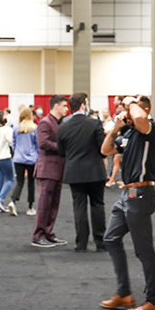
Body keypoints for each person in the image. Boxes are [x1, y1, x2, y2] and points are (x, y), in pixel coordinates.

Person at [100, 95, 155, 310]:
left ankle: (154, 301)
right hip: (126, 194)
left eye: (129, 110)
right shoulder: (129, 134)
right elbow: (106, 150)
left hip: (142, 194)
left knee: (144, 250)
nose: (126, 113)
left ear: (143, 109)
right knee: (110, 238)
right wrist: (116, 127)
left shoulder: (151, 130)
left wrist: (132, 103)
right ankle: (124, 293)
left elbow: (139, 116)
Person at [57, 92, 108, 252]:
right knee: (97, 205)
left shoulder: (63, 126)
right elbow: (103, 150)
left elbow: (61, 151)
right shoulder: (95, 124)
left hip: (74, 171)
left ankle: (81, 243)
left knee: (79, 206)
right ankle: (100, 242)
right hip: (95, 171)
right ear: (83, 105)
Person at [32, 95, 69, 248]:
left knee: (53, 204)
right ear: (56, 106)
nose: (67, 109)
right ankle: (38, 235)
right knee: (44, 204)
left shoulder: (59, 123)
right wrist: (63, 148)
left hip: (57, 169)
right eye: (64, 106)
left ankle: (48, 233)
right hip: (47, 169)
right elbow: (43, 143)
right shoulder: (45, 122)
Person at [9, 107, 38, 216]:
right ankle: (30, 207)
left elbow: (14, 144)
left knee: (20, 182)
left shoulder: (16, 128)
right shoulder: (34, 128)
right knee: (31, 182)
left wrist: (16, 153)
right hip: (31, 159)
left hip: (18, 158)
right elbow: (37, 144)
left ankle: (13, 201)